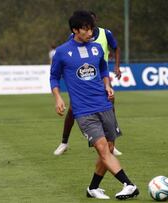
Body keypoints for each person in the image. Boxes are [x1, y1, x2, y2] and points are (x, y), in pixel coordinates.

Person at [50, 10, 139, 200]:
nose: (91, 33)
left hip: (104, 104)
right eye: (86, 29)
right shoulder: (62, 52)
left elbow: (103, 68)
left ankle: (93, 188)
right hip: (83, 111)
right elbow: (53, 77)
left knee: (107, 146)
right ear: (75, 30)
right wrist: (58, 97)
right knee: (101, 147)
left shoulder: (97, 48)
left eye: (91, 28)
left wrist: (107, 85)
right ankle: (129, 184)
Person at [53, 11, 123, 156]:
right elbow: (66, 60)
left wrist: (116, 68)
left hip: (100, 78)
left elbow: (115, 48)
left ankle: (111, 140)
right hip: (82, 84)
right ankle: (64, 141)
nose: (89, 30)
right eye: (86, 26)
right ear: (77, 29)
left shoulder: (105, 34)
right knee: (73, 110)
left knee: (110, 102)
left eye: (91, 25)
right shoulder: (73, 39)